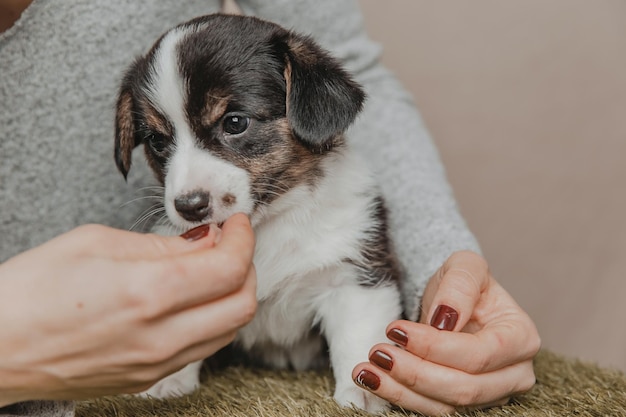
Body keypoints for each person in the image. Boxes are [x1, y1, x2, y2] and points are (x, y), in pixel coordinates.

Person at [0, 0, 540, 416]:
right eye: (161, 143)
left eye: (233, 125)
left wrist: (446, 266)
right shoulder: (177, 224)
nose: (185, 190)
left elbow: (353, 286)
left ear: (311, 106)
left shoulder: (344, 203)